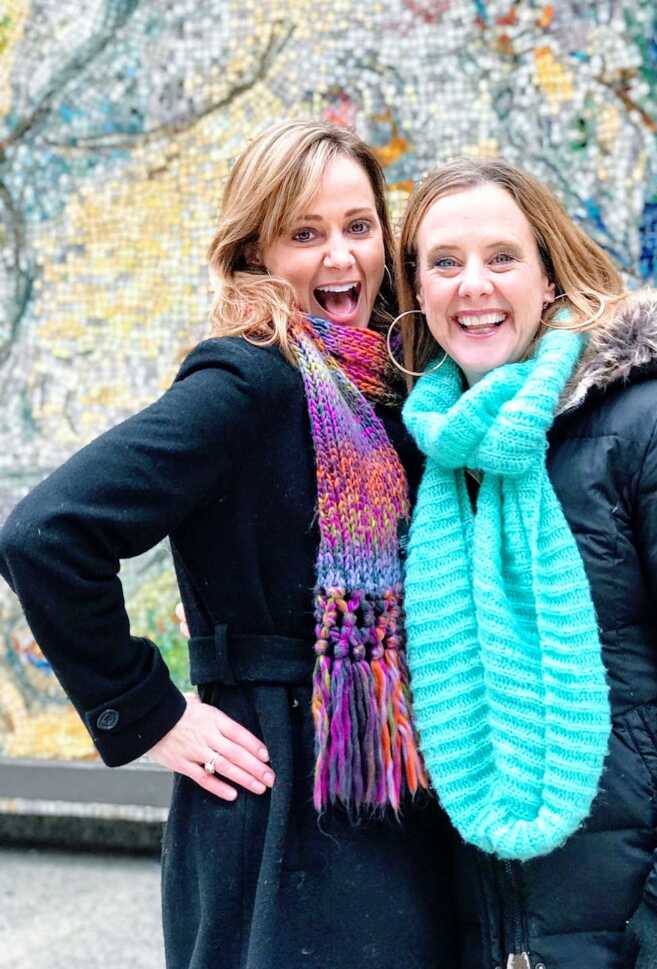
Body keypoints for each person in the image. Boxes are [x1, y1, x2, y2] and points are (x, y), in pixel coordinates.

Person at [0, 121, 458, 969]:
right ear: (256, 251)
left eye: (359, 228)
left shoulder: (401, 387)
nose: (340, 260)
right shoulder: (247, 380)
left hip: (398, 779)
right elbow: (47, 534)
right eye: (305, 234)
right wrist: (151, 714)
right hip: (281, 798)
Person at [390, 157, 657, 969]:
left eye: (502, 256)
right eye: (445, 261)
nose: (474, 285)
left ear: (548, 273)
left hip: (655, 915)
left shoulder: (653, 423)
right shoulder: (427, 449)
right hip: (495, 921)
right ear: (417, 290)